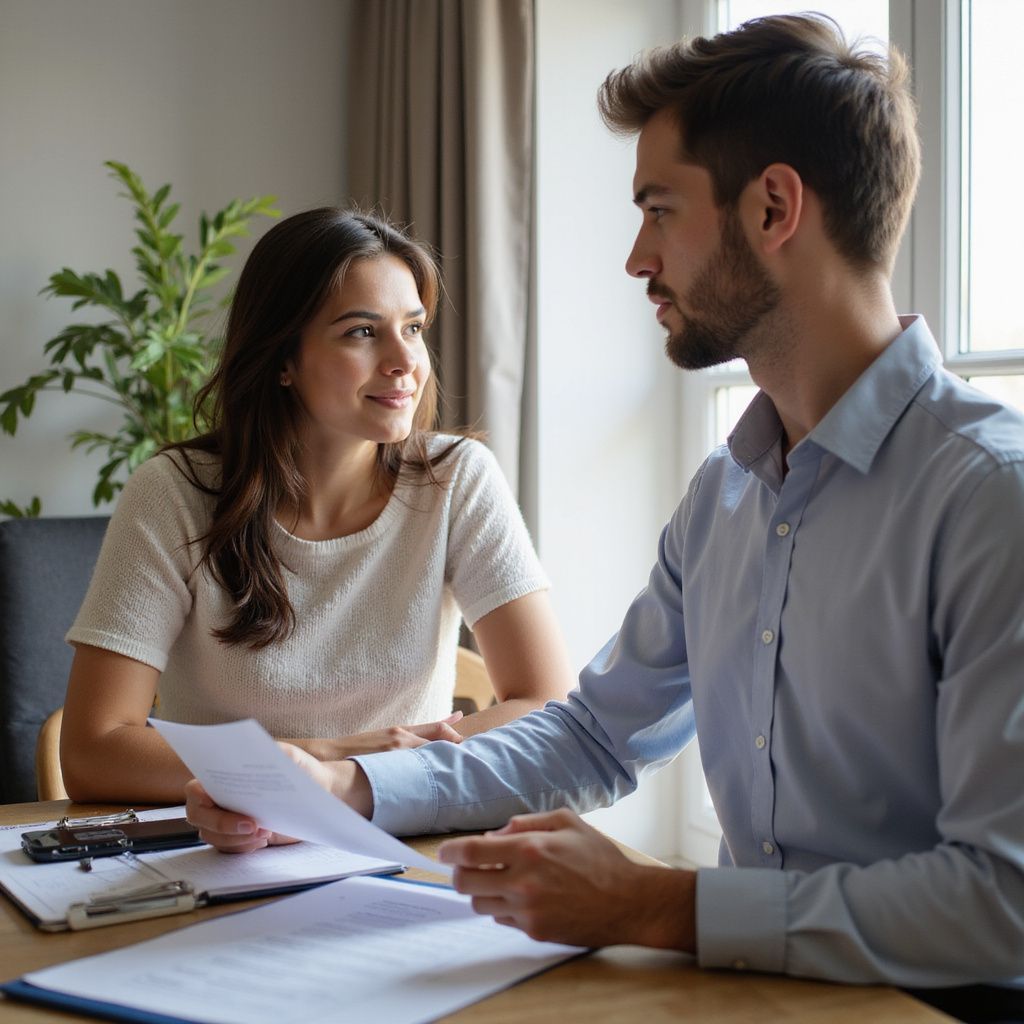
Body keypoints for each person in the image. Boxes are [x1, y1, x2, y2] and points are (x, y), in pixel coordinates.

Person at [186, 16, 1024, 1020]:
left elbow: (1004, 901)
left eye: (659, 211)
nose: (637, 257)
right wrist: (344, 787)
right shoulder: (726, 495)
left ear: (772, 208)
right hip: (755, 992)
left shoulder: (990, 501)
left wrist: (661, 904)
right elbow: (589, 736)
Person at [60, 208, 574, 804]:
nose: (405, 362)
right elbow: (93, 750)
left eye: (413, 327)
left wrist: (361, 780)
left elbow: (546, 704)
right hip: (224, 841)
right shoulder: (174, 493)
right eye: (361, 332)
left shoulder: (456, 478)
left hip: (400, 830)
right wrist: (323, 759)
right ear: (283, 359)